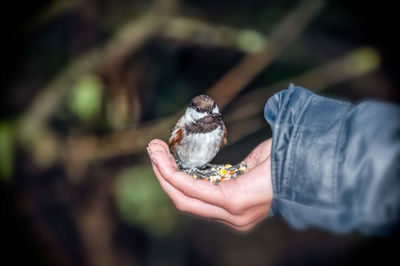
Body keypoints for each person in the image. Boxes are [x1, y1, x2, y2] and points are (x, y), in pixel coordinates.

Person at [147, 84, 400, 235]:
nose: (214, 115)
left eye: (215, 111)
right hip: (186, 161)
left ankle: (201, 170)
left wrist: (288, 166)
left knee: (206, 168)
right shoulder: (182, 128)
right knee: (190, 168)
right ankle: (194, 170)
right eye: (206, 113)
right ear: (192, 113)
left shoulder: (219, 126)